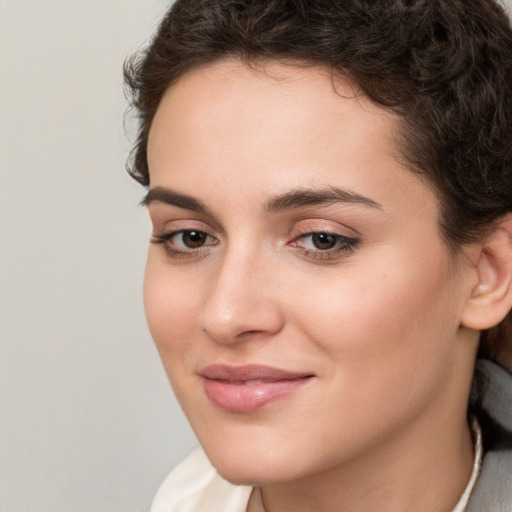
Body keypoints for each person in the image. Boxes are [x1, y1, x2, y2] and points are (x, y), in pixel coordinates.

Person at [124, 1, 512, 510]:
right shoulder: (184, 498)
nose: (225, 315)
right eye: (190, 237)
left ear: (488, 273)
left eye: (321, 240)